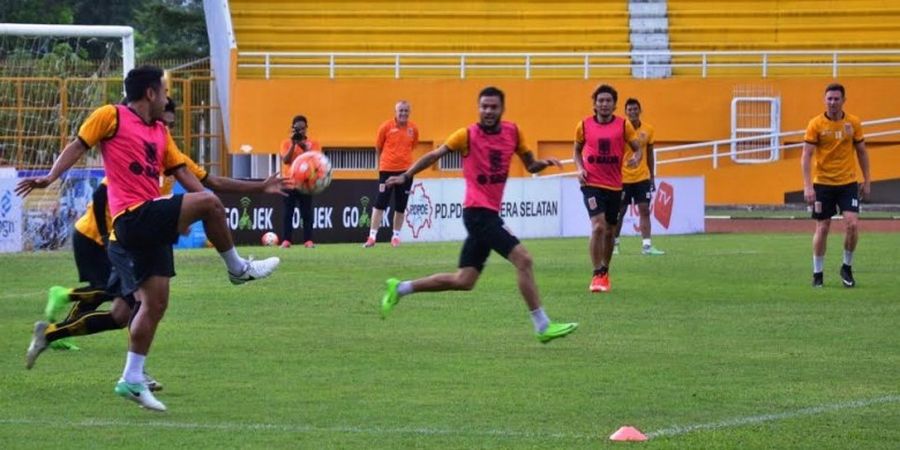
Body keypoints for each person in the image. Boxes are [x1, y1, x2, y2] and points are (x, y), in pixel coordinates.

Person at [16, 65, 281, 411]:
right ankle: (237, 269)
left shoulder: (160, 133)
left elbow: (192, 180)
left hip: (150, 228)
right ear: (151, 93)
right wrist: (50, 176)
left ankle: (131, 379)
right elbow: (77, 146)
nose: (168, 98)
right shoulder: (110, 115)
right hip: (130, 218)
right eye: (164, 91)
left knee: (152, 306)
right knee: (123, 300)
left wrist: (213, 204)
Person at [380, 86, 578, 343]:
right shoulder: (466, 135)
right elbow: (434, 154)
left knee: (465, 280)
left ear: (502, 109)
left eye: (493, 107)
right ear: (478, 108)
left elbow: (530, 165)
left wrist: (543, 163)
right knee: (524, 259)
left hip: (488, 212)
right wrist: (407, 175)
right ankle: (542, 325)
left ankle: (401, 288)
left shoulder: (513, 132)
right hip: (477, 212)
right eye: (484, 106)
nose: (488, 111)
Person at [572, 84, 644, 293]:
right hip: (591, 183)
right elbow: (576, 150)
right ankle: (597, 274)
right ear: (594, 104)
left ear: (614, 105)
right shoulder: (583, 125)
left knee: (610, 231)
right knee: (598, 227)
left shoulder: (624, 126)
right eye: (600, 100)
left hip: (615, 185)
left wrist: (636, 158)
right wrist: (579, 168)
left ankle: (605, 269)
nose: (604, 104)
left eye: (608, 101)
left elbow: (637, 148)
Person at [801, 83, 870, 288]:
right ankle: (817, 273)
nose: (832, 102)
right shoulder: (815, 124)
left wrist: (867, 180)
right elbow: (806, 156)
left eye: (836, 99)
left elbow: (862, 152)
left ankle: (846, 267)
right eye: (829, 99)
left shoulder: (853, 123)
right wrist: (807, 186)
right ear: (824, 100)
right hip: (822, 183)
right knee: (822, 227)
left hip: (848, 182)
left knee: (852, 224)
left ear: (843, 101)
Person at [613, 98, 664, 256]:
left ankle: (647, 246)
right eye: (629, 110)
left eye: (635, 109)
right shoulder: (620, 129)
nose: (633, 112)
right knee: (619, 212)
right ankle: (614, 246)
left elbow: (649, 155)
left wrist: (652, 177)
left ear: (640, 111)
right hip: (623, 178)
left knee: (645, 211)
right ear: (625, 112)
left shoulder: (648, 129)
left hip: (642, 178)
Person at [364, 100, 419, 248]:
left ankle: (395, 236)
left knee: (401, 205)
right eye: (400, 110)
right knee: (380, 203)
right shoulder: (385, 127)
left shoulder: (413, 129)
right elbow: (378, 147)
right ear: (395, 112)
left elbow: (413, 145)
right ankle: (372, 237)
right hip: (387, 170)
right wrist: (382, 165)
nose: (403, 113)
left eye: (406, 111)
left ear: (409, 112)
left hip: (406, 172)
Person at [279, 115, 320, 248]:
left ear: (306, 129)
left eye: (303, 128)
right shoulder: (286, 143)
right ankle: (286, 240)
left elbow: (314, 160)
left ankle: (308, 240)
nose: (301, 131)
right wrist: (293, 145)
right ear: (293, 129)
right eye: (298, 129)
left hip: (306, 183)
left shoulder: (314, 144)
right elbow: (285, 160)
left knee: (306, 212)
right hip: (289, 182)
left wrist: (304, 147)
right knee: (288, 213)